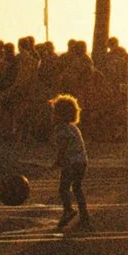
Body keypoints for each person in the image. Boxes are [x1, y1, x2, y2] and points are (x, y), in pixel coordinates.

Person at [51, 93, 91, 233]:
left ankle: (68, 210)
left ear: (60, 114)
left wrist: (58, 161)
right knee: (77, 188)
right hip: (82, 161)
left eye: (55, 112)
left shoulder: (61, 128)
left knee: (63, 188)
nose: (53, 115)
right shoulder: (74, 127)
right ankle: (84, 213)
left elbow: (63, 147)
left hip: (71, 163)